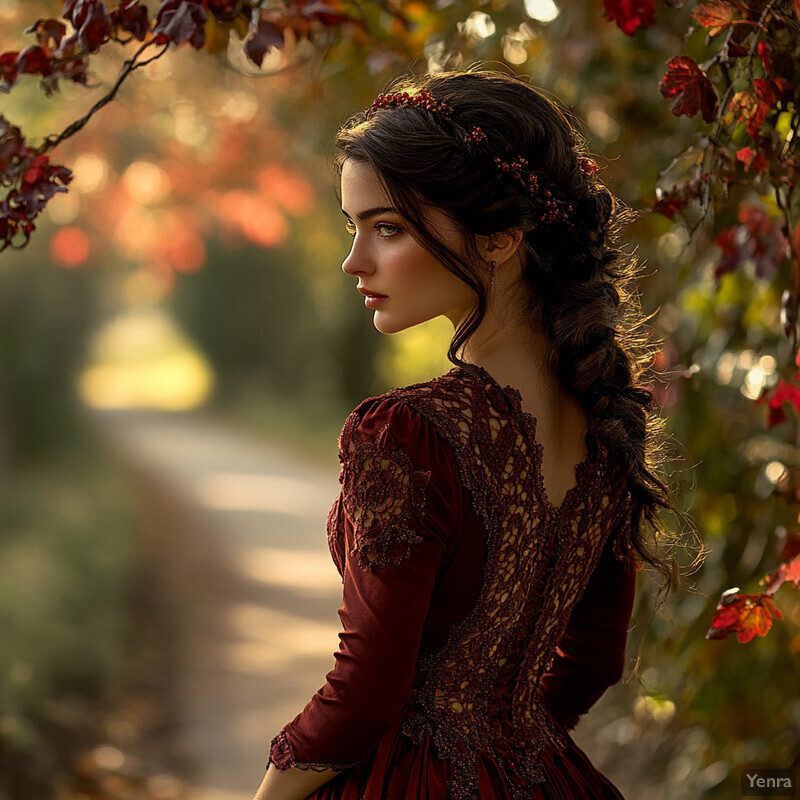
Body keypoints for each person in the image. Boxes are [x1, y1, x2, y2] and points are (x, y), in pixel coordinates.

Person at [252, 69, 680, 800]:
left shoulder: (406, 434)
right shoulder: (608, 427)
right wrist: (503, 748)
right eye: (353, 227)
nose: (355, 260)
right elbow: (592, 664)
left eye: (386, 228)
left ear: (500, 238)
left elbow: (364, 695)